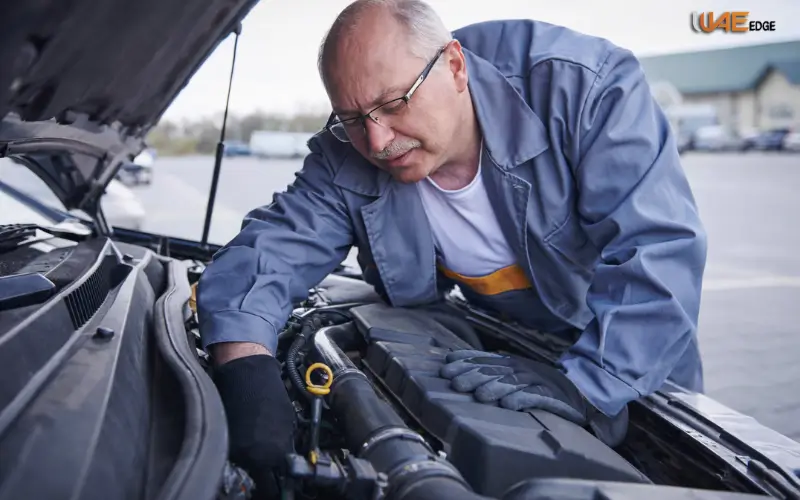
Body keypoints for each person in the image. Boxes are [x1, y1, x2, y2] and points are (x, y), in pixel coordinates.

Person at [197, 0, 708, 496]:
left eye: (393, 104)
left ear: (456, 66)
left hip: (636, 353)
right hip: (509, 356)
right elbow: (270, 252)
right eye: (352, 119)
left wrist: (589, 386)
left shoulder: (580, 87)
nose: (377, 142)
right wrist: (247, 375)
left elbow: (657, 246)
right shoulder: (348, 153)